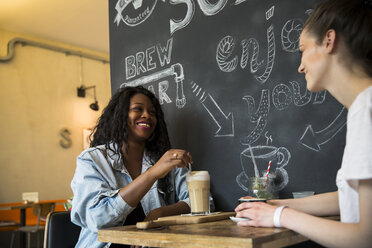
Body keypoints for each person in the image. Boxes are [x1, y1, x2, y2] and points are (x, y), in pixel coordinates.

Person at [235, 0, 372, 247]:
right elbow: (350, 198)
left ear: (329, 41)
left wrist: (279, 216)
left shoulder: (366, 109)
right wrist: (276, 205)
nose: (299, 66)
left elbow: (365, 237)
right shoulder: (363, 107)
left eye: (302, 49)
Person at [71, 86, 202, 248]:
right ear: (119, 115)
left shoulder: (166, 160)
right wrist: (152, 173)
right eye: (137, 109)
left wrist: (159, 214)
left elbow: (203, 204)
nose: (147, 115)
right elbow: (97, 217)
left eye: (152, 113)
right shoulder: (92, 159)